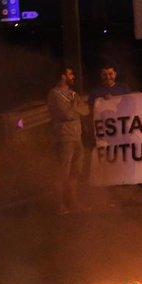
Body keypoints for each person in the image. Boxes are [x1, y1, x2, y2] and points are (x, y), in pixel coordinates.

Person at [47, 66, 88, 214]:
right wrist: (76, 108)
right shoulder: (55, 94)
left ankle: (73, 202)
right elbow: (65, 114)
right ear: (63, 76)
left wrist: (75, 108)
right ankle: (59, 204)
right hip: (64, 137)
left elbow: (85, 110)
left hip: (77, 136)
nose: (73, 76)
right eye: (70, 74)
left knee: (75, 171)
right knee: (63, 171)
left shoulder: (73, 94)